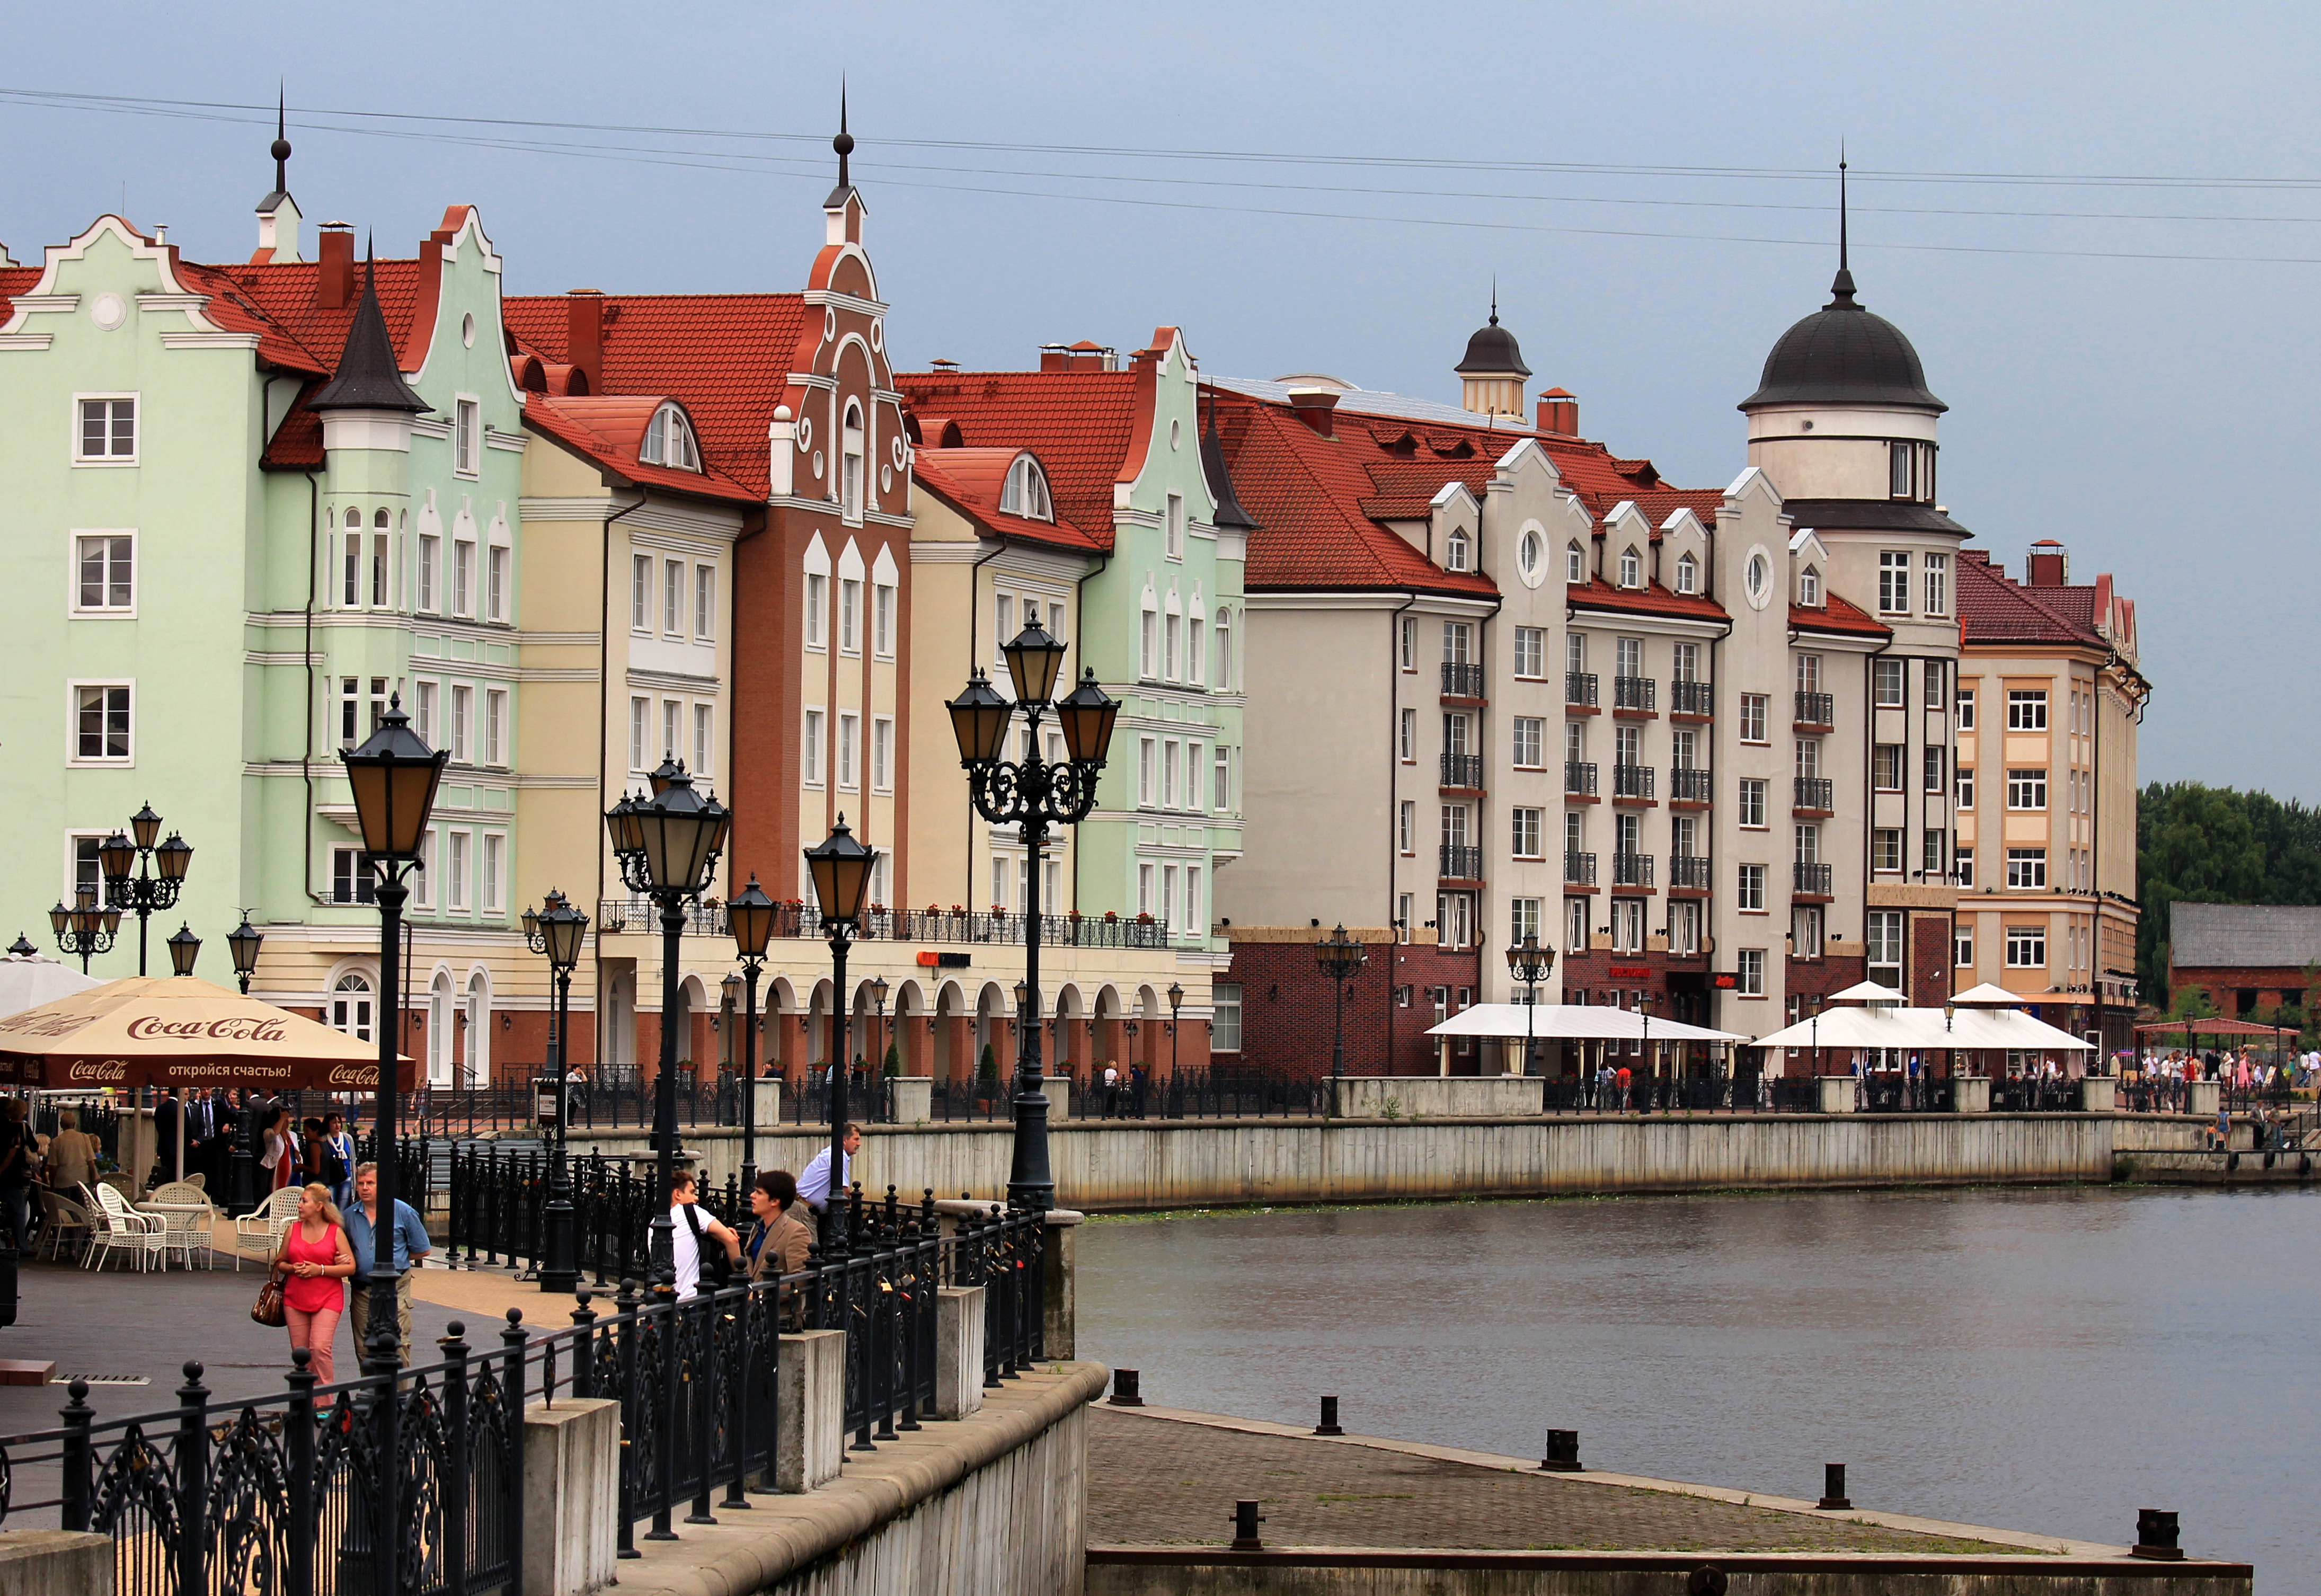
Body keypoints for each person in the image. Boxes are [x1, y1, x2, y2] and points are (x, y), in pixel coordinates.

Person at [343, 1161, 431, 1367]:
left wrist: (396, 1258)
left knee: (396, 1342)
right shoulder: (349, 1216)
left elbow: (423, 1248)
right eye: (361, 1183)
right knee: (364, 1347)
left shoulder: (403, 1212)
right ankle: (371, 1395)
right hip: (362, 1288)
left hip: (396, 1285)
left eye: (371, 1183)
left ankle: (397, 1397)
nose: (365, 1188)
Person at [273, 1183, 355, 1383]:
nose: (299, 1206)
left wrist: (320, 1270)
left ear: (319, 1206)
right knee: (301, 1354)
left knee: (319, 1348)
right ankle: (306, 1403)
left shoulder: (335, 1232)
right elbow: (280, 1262)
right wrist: (293, 1268)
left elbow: (350, 1267)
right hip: (295, 1298)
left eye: (304, 1201)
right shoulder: (293, 1229)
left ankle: (325, 1403)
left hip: (328, 1297)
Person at [668, 1169, 740, 1301]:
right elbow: (731, 1240)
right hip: (694, 1301)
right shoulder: (692, 1211)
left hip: (669, 1303)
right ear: (677, 1194)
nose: (696, 1198)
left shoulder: (655, 1225)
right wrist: (742, 1279)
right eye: (692, 1192)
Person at [744, 1171, 812, 1283]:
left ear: (775, 1201)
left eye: (759, 1193)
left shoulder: (796, 1232)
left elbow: (800, 1280)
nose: (752, 1196)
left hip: (774, 1300)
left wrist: (761, 1294)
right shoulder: (757, 1228)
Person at [798, 1124, 860, 1214]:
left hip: (803, 1206)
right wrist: (849, 1201)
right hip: (805, 1211)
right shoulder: (839, 1155)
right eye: (856, 1139)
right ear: (845, 1140)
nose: (859, 1144)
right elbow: (843, 1190)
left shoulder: (831, 1152)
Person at [0, 1100, 34, 1251]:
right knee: (18, 1211)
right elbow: (15, 1151)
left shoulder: (6, 1126)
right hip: (14, 1174)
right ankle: (21, 1245)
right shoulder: (19, 1128)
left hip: (7, 1173)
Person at [44, 1109, 99, 1194]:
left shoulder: (56, 1141)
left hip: (63, 1182)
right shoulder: (84, 1137)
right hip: (83, 1181)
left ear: (61, 1125)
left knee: (65, 1206)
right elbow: (91, 1162)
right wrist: (93, 1180)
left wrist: (52, 1185)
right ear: (74, 1124)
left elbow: (53, 1167)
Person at [321, 1113, 356, 1210]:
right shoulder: (324, 1140)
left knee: (342, 1208)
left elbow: (353, 1158)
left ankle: (339, 1225)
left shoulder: (348, 1139)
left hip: (346, 1177)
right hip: (331, 1179)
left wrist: (355, 1175)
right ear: (328, 1125)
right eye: (334, 1123)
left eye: (339, 1122)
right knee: (330, 1206)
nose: (337, 1125)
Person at [259, 1105, 298, 1194]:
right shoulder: (268, 1133)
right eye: (285, 1120)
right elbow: (275, 1133)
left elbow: (297, 1154)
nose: (288, 1122)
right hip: (277, 1171)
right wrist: (282, 1118)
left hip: (292, 1172)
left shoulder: (293, 1135)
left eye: (288, 1119)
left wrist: (298, 1156)